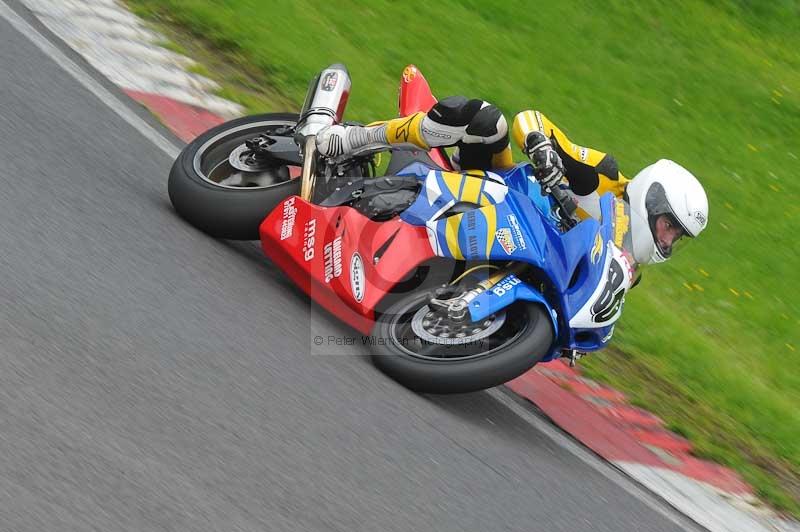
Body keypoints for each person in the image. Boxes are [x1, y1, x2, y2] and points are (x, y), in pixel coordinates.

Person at [315, 96, 709, 271]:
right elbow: (531, 121)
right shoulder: (604, 178)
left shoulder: (624, 268)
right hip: (495, 186)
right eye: (669, 226)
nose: (668, 241)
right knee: (487, 119)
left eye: (676, 237)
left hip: (513, 251)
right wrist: (543, 152)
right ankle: (350, 140)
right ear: (653, 199)